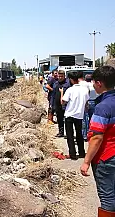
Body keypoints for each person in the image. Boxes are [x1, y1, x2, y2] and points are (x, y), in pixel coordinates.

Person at [80, 65, 115, 216]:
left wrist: (86, 161)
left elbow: (97, 137)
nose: (93, 85)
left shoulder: (103, 107)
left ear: (99, 83)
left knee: (107, 198)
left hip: (106, 157)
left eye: (94, 82)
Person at [60, 70, 89, 160]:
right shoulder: (85, 90)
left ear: (71, 80)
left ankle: (73, 154)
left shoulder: (70, 90)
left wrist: (61, 92)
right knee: (79, 134)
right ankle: (81, 152)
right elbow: (86, 103)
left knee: (70, 135)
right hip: (79, 115)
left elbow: (63, 102)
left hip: (69, 114)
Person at [81, 74, 99, 141]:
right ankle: (92, 134)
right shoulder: (93, 85)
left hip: (86, 102)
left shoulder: (84, 85)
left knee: (85, 120)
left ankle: (85, 135)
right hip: (94, 102)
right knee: (92, 120)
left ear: (85, 79)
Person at [52, 70, 70, 137]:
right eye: (59, 76)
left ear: (64, 76)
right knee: (59, 119)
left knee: (67, 120)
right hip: (57, 105)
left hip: (65, 104)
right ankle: (61, 132)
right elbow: (53, 95)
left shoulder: (67, 84)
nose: (60, 77)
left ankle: (68, 133)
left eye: (61, 76)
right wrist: (52, 104)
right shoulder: (56, 83)